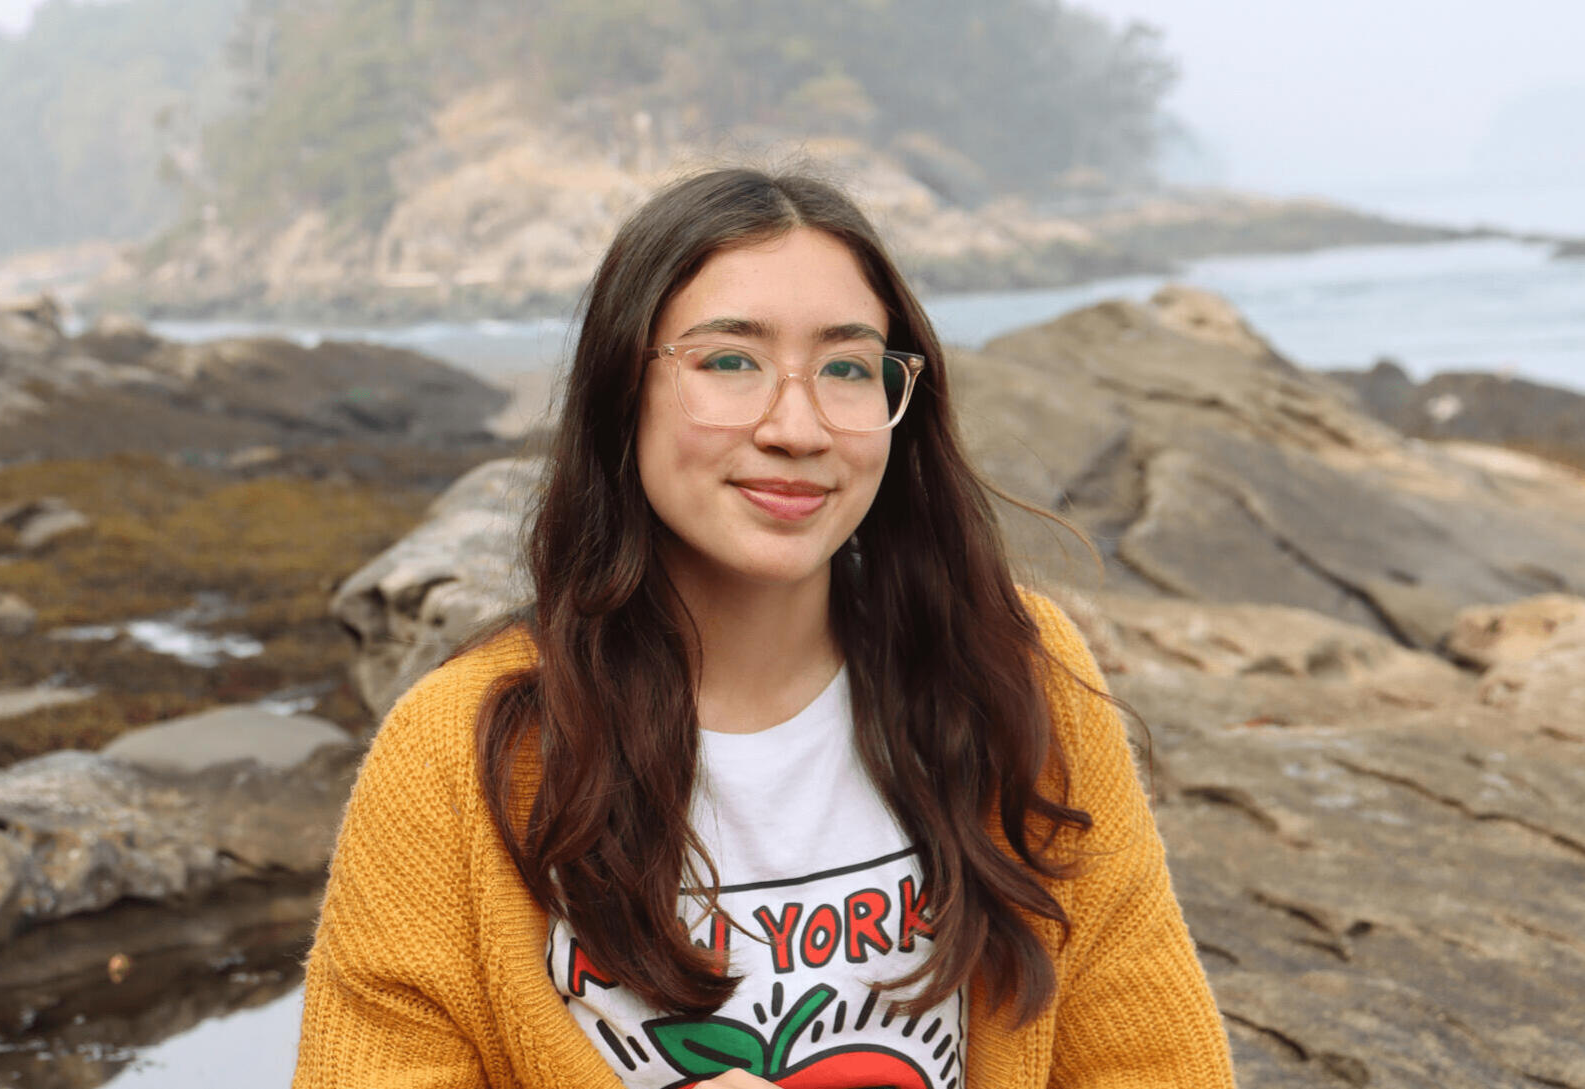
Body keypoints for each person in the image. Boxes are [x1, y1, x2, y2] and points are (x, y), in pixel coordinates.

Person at [293, 168, 1235, 1088]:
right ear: (624, 393)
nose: (797, 426)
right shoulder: (456, 750)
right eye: (729, 362)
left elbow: (1147, 1058)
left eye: (846, 367)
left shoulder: (1006, 668)